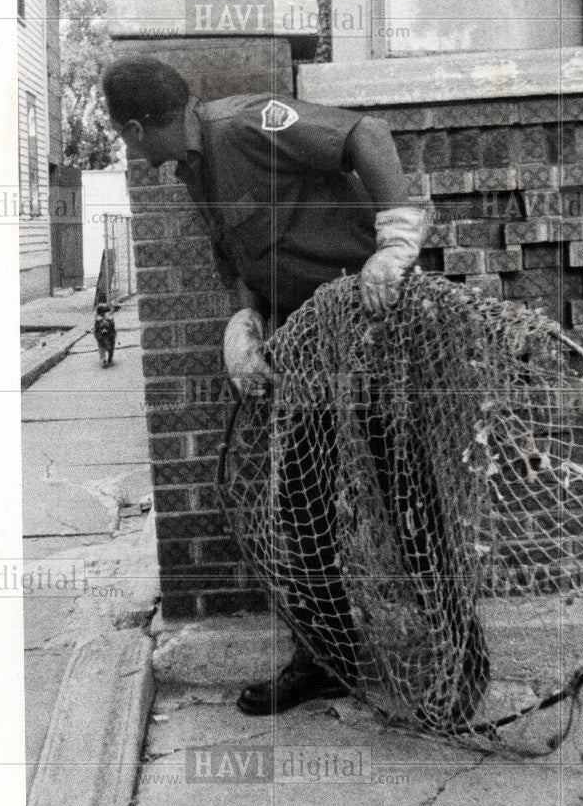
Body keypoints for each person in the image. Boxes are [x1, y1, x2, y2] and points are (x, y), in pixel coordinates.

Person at [102, 57, 463, 717]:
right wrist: (245, 319)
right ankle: (328, 659)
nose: (138, 155)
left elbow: (365, 135)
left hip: (370, 316)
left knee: (400, 489)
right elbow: (242, 255)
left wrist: (395, 236)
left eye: (129, 141)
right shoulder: (193, 169)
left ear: (134, 127)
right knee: (300, 500)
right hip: (304, 337)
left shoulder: (245, 125)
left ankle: (457, 658)